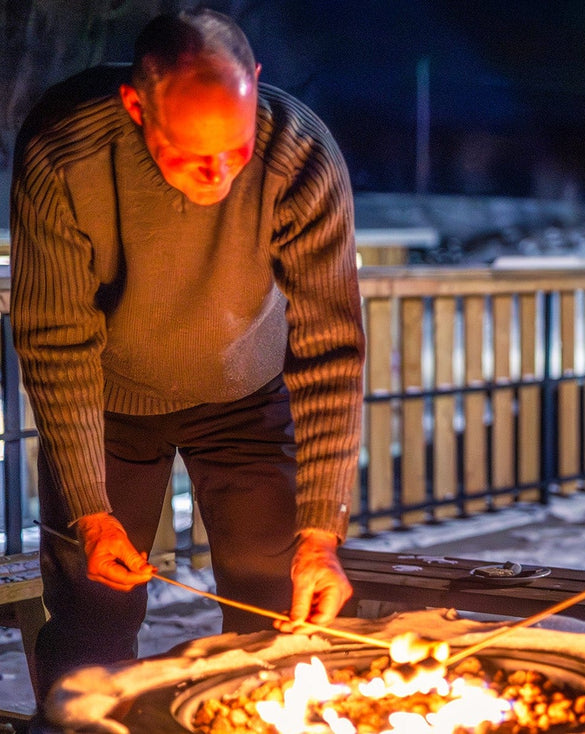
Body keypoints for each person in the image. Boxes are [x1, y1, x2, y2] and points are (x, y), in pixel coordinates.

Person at [10, 9, 365, 702]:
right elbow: (56, 340)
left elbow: (330, 349)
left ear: (255, 84)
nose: (219, 176)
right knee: (93, 609)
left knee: (278, 603)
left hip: (247, 394)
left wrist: (321, 532)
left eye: (234, 150)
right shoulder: (64, 151)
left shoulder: (300, 156)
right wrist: (89, 509)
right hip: (106, 402)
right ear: (137, 105)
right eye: (192, 155)